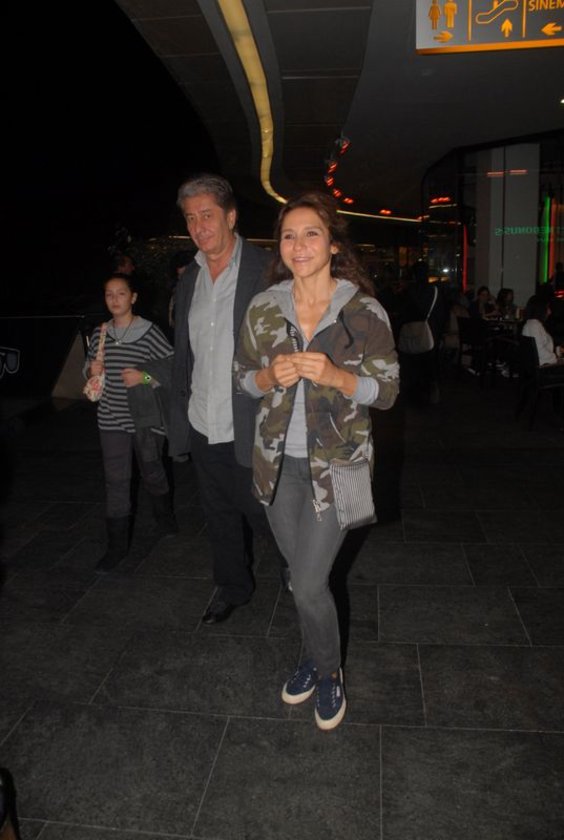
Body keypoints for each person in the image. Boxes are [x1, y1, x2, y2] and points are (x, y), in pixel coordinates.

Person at [233, 192, 400, 730]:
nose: (299, 244)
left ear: (332, 245)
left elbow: (388, 392)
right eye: (289, 235)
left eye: (311, 233)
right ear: (279, 248)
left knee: (307, 583)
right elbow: (242, 378)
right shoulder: (264, 308)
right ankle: (313, 652)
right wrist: (267, 377)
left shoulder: (363, 311)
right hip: (276, 466)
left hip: (341, 467)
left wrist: (338, 377)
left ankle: (328, 672)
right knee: (299, 577)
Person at [168, 173, 276, 625]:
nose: (199, 226)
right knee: (218, 513)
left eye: (207, 215)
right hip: (203, 419)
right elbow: (185, 352)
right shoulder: (190, 278)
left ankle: (302, 577)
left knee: (264, 512)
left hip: (251, 421)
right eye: (190, 218)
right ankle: (233, 587)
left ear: (230, 217)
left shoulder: (266, 269)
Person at [85, 273, 176, 572]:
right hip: (110, 417)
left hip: (145, 420)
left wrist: (144, 376)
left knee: (152, 473)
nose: (114, 299)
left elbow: (173, 369)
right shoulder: (100, 333)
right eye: (109, 294)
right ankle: (116, 548)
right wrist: (91, 371)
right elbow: (89, 370)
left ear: (133, 297)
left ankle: (165, 519)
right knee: (116, 481)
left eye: (121, 293)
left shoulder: (149, 332)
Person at [522, 294, 564, 366]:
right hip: (543, 367)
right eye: (547, 308)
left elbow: (542, 346)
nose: (550, 312)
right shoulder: (535, 326)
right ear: (540, 309)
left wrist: (557, 351)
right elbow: (539, 351)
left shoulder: (530, 324)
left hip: (538, 365)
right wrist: (556, 359)